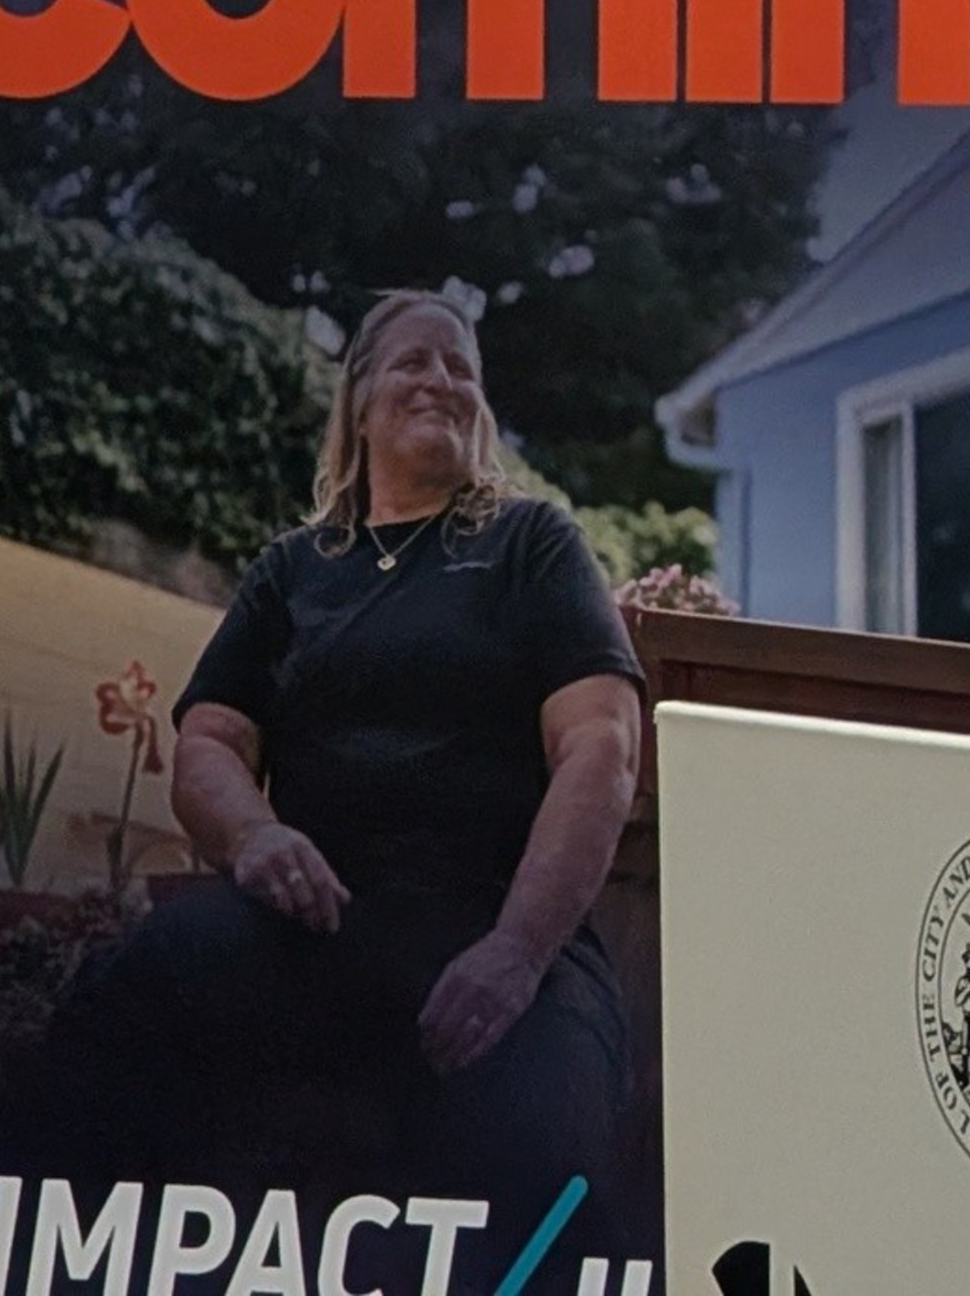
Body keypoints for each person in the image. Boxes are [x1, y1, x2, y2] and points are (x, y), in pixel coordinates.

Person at [48, 291, 646, 1237]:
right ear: (360, 402)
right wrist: (254, 835)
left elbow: (601, 745)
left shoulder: (532, 544)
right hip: (318, 924)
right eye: (416, 360)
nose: (442, 380)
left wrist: (516, 953)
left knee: (546, 1163)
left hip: (497, 933)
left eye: (462, 369)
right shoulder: (294, 570)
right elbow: (206, 742)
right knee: (107, 1022)